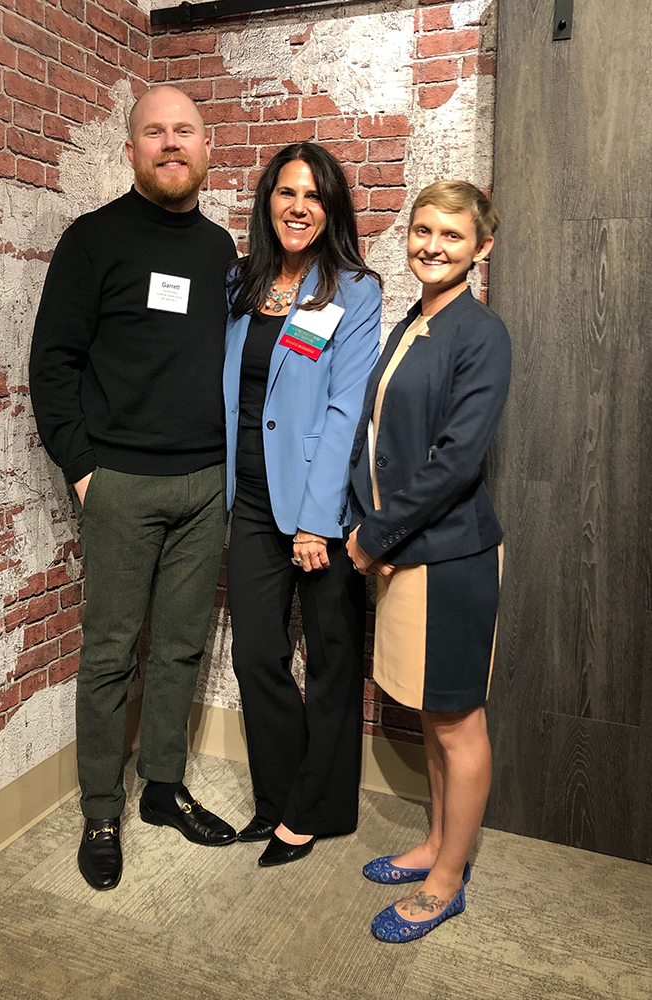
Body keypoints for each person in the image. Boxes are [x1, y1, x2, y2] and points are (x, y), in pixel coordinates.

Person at [29, 85, 239, 892]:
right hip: (119, 485)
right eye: (154, 131)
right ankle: (100, 810)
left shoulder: (222, 251)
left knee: (182, 644)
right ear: (130, 151)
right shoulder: (93, 241)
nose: (171, 143)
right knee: (111, 653)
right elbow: (53, 366)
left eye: (184, 129)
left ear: (205, 146)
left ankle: (161, 787)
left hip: (203, 485)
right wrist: (85, 471)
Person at [346, 181, 511, 941]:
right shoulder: (416, 320)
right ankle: (439, 844)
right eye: (421, 231)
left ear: (480, 249)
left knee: (456, 720)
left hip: (450, 556)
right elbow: (379, 434)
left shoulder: (481, 332)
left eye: (451, 235)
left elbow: (452, 463)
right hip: (409, 551)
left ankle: (448, 880)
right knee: (432, 714)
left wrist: (374, 537)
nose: (431, 246)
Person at [223, 142, 382, 867]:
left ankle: (315, 810)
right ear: (268, 202)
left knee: (330, 658)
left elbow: (346, 410)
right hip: (250, 500)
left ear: (332, 209)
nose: (298, 207)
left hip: (320, 504)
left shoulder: (354, 289)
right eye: (286, 193)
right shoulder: (242, 282)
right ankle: (279, 794)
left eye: (314, 196)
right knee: (257, 650)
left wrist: (319, 519)